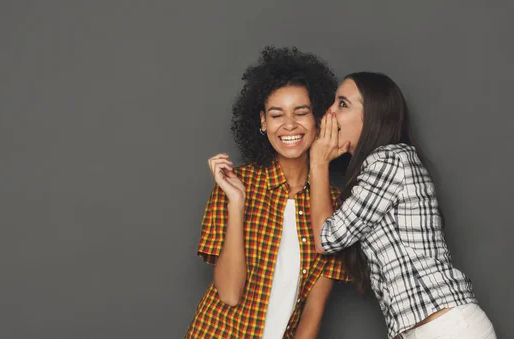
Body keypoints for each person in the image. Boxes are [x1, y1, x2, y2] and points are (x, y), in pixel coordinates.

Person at [308, 72, 496, 339]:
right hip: (428, 328)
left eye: (343, 104)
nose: (329, 112)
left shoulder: (390, 160)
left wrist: (318, 163)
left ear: (372, 116)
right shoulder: (377, 168)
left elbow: (326, 238)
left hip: (446, 327)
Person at [185, 46, 351, 339]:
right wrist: (236, 204)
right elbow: (230, 294)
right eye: (277, 115)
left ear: (318, 120)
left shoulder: (334, 205)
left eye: (301, 112)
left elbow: (314, 310)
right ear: (263, 122)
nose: (289, 124)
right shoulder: (234, 184)